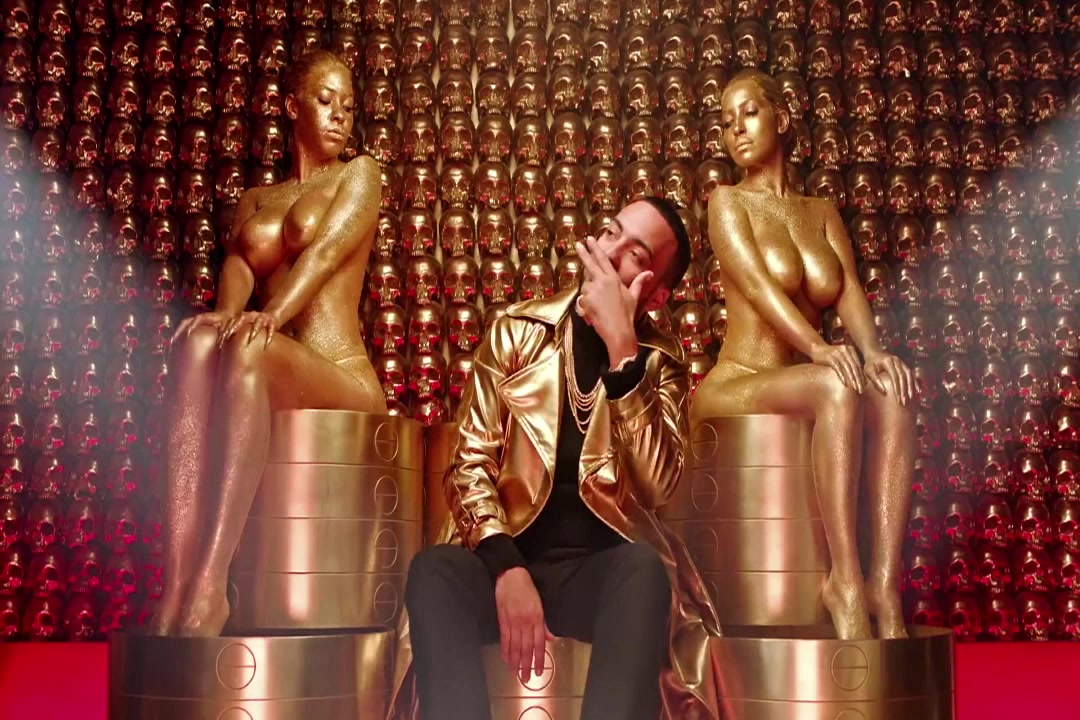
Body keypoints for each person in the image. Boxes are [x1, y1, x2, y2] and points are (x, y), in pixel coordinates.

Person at [393, 198, 721, 720]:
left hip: (601, 577)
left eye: (634, 254)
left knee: (644, 573)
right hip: (508, 562)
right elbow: (469, 464)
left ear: (656, 294)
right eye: (610, 232)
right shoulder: (515, 331)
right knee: (433, 573)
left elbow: (659, 486)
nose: (608, 251)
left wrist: (623, 352)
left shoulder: (661, 364)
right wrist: (507, 569)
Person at [148, 50, 387, 637]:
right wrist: (224, 317)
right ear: (292, 106)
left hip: (341, 375)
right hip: (271, 354)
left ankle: (211, 585)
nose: (340, 115)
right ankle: (175, 587)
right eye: (325, 101)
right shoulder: (256, 198)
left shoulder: (359, 174)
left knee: (248, 347)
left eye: (348, 105)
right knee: (196, 345)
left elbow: (324, 254)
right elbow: (238, 265)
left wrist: (269, 317)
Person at [691, 68, 917, 641]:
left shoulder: (821, 212)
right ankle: (844, 580)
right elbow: (759, 290)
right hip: (739, 380)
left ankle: (883, 584)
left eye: (749, 113)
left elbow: (847, 290)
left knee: (892, 390)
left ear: (782, 118)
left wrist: (874, 352)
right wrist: (818, 347)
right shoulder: (727, 203)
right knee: (835, 384)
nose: (736, 130)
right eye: (726, 122)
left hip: (800, 378)